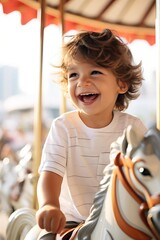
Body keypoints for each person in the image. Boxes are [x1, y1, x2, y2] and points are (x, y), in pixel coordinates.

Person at [36, 29, 147, 240]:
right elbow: (50, 173)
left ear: (121, 84)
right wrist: (49, 204)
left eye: (95, 72)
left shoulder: (132, 128)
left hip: (121, 221)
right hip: (71, 220)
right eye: (73, 74)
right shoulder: (64, 127)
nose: (82, 82)